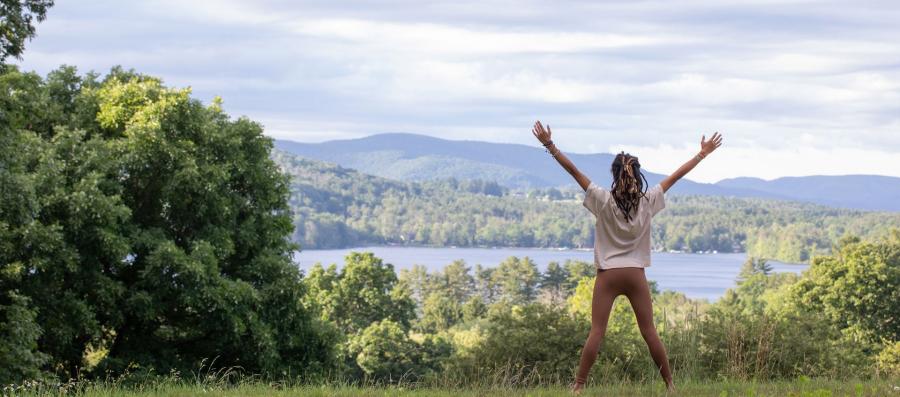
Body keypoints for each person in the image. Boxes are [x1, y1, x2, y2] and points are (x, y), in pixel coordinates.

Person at [530, 120, 723, 394]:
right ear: (638, 174)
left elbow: (574, 171)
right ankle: (670, 385)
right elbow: (676, 177)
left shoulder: (602, 199)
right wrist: (702, 153)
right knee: (649, 332)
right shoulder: (648, 201)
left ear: (614, 173)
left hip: (608, 275)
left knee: (597, 332)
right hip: (635, 274)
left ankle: (578, 387)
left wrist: (549, 144)